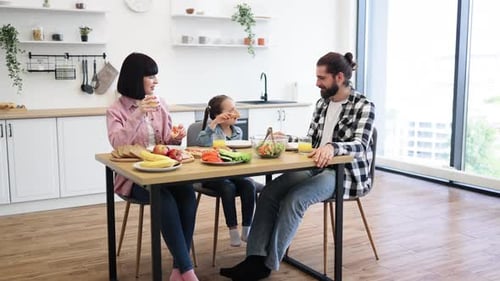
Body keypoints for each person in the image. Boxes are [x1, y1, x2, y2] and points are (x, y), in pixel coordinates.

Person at [219, 51, 376, 281]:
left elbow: (361, 144)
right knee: (269, 193)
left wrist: (333, 148)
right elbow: (311, 141)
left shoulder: (364, 105)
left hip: (342, 172)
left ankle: (267, 264)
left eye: (322, 78)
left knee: (296, 199)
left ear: (339, 78)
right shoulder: (323, 103)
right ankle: (253, 257)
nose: (317, 83)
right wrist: (288, 139)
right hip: (315, 163)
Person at [106, 53, 198, 281]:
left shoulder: (161, 104)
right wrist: (138, 113)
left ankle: (179, 270)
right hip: (134, 178)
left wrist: (176, 137)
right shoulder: (115, 110)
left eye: (156, 77)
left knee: (187, 193)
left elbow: (165, 141)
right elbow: (118, 144)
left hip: (165, 171)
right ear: (136, 78)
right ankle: (187, 271)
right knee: (163, 199)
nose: (156, 82)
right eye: (151, 76)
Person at [196, 95, 257, 247]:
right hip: (213, 176)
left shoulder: (237, 132)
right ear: (219, 115)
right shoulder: (212, 132)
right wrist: (214, 123)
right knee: (227, 187)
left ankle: (247, 229)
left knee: (249, 185)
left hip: (232, 173)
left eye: (235, 109)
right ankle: (233, 231)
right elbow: (201, 142)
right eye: (231, 110)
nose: (236, 112)